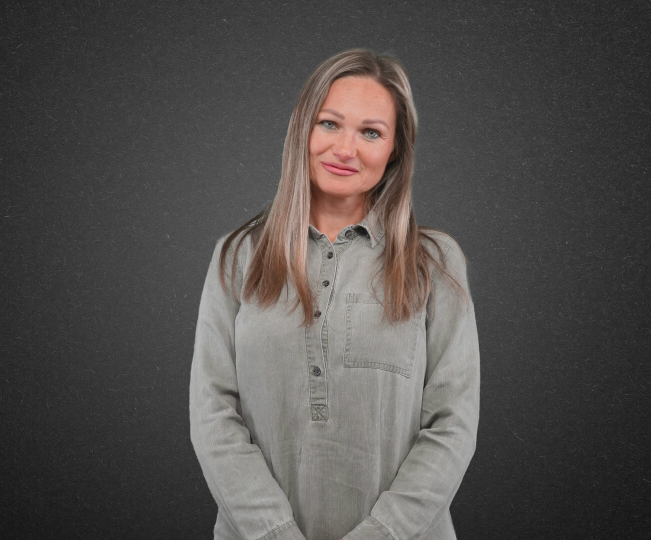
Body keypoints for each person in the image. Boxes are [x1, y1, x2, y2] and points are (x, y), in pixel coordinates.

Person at [190, 49, 480, 540]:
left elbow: (452, 425)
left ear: (395, 150)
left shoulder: (436, 263)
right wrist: (275, 533)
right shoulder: (237, 256)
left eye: (371, 132)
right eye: (329, 124)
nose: (345, 148)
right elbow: (213, 415)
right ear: (302, 130)